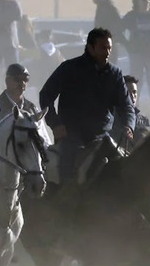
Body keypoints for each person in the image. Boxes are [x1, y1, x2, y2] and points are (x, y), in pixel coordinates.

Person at [40, 28, 135, 184]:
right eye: (103, 48)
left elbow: (127, 106)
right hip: (72, 135)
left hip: (102, 137)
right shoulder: (69, 69)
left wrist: (129, 126)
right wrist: (55, 124)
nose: (108, 52)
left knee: (125, 172)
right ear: (90, 48)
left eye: (110, 48)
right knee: (68, 177)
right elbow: (46, 95)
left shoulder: (115, 74)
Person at [122, 0, 150, 116]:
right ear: (137, 1)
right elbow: (119, 30)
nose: (147, 1)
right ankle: (134, 109)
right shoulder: (131, 16)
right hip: (137, 54)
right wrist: (128, 45)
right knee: (135, 83)